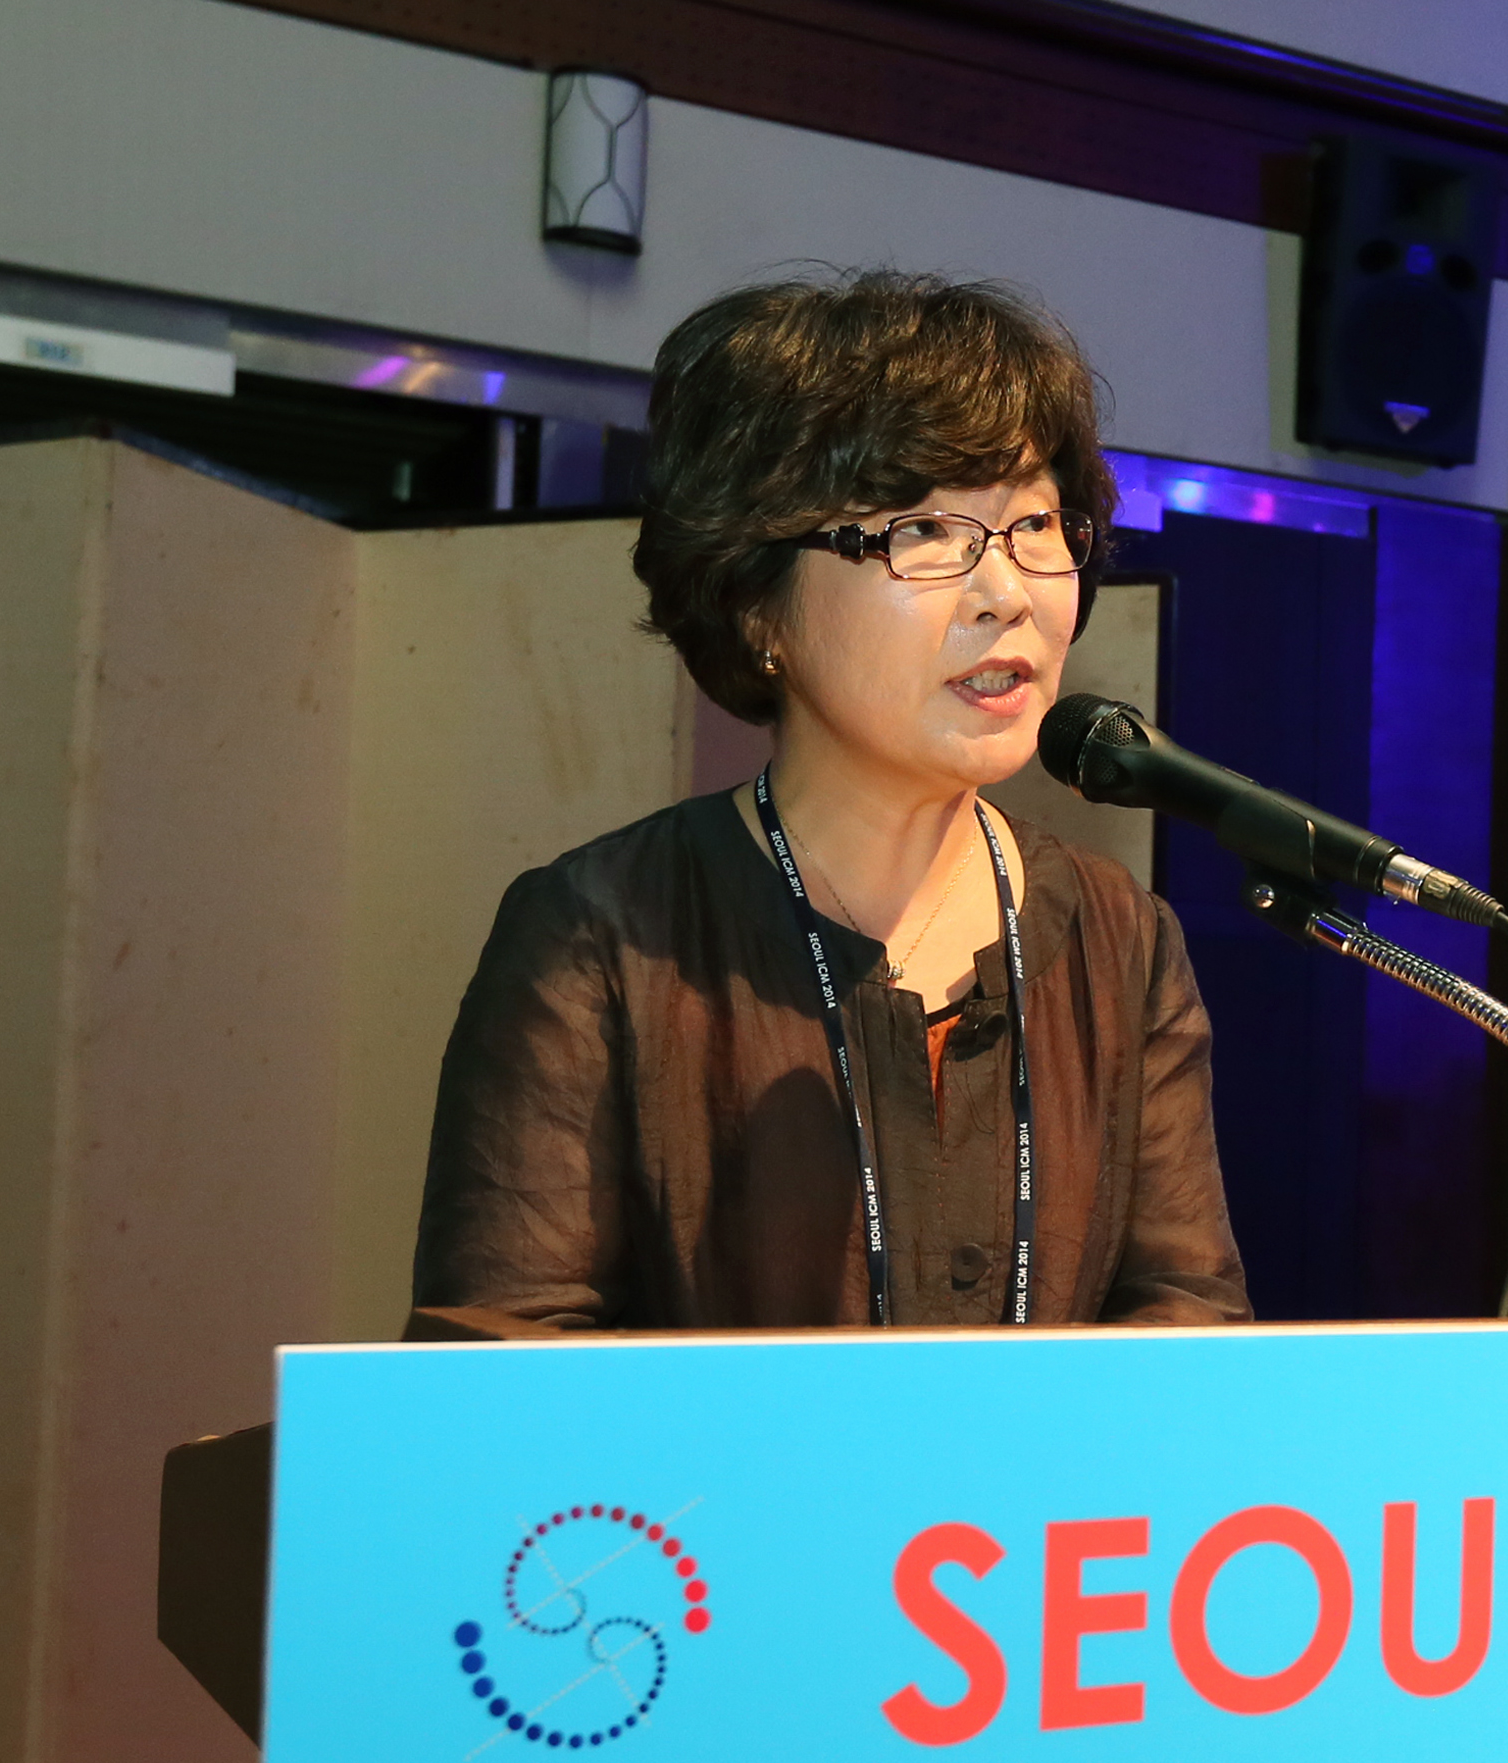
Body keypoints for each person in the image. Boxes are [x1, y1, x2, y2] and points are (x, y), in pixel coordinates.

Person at [414, 270, 1249, 1329]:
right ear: (756, 602)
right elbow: (499, 1371)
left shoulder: (1118, 935)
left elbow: (1188, 1331)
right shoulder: (602, 936)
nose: (1006, 592)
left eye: (1036, 522)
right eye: (923, 530)